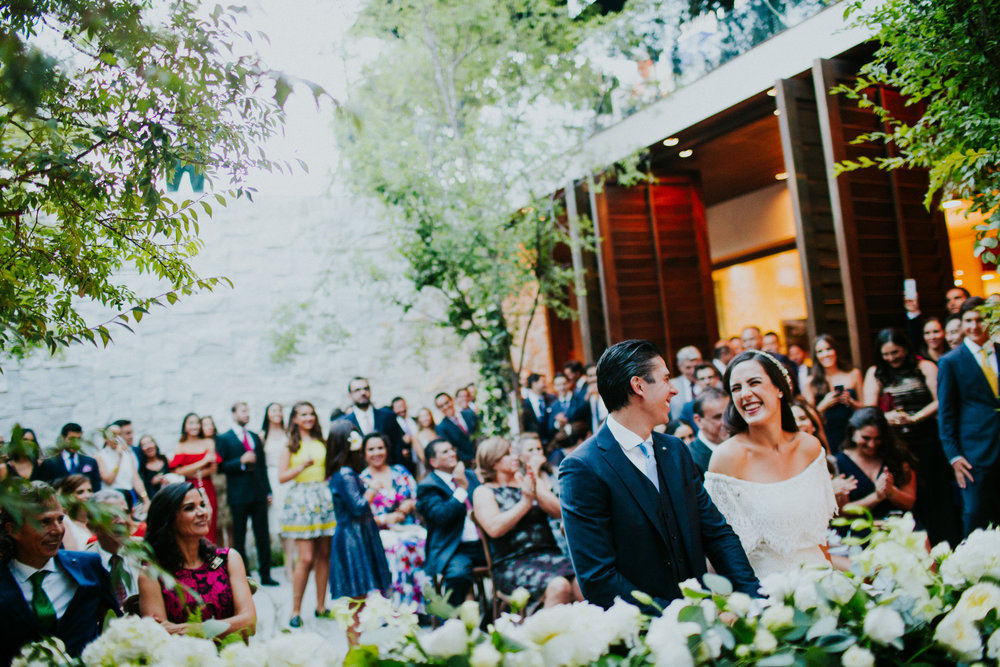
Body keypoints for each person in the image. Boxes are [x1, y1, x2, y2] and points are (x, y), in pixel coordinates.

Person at [560, 340, 758, 612]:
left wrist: (753, 596)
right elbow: (598, 579)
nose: (674, 389)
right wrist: (675, 618)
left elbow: (716, 533)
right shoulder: (583, 468)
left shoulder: (675, 450)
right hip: (642, 636)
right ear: (639, 386)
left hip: (705, 622)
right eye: (666, 379)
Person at [704, 350, 837, 579]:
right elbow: (717, 549)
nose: (745, 394)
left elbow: (820, 536)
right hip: (765, 596)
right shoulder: (726, 458)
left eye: (754, 382)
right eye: (736, 388)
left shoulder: (810, 448)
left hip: (820, 584)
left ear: (779, 389)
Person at [0, 481, 120, 663]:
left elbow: (115, 624)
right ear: (14, 529)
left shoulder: (88, 567)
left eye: (60, 519)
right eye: (45, 522)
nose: (58, 530)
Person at [862, 328, 961, 545]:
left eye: (895, 352)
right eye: (886, 354)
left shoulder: (924, 366)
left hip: (927, 440)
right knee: (908, 496)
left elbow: (941, 400)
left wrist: (916, 417)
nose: (891, 358)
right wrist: (887, 417)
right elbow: (869, 410)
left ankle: (945, 542)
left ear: (905, 348)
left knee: (936, 494)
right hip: (896, 446)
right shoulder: (875, 373)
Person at [472, 436, 581, 610]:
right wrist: (525, 503)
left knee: (582, 582)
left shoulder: (526, 481)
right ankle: (544, 636)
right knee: (559, 586)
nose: (515, 457)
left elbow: (559, 512)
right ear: (493, 462)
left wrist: (535, 483)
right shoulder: (484, 491)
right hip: (512, 562)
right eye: (507, 454)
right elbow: (494, 528)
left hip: (549, 555)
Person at [139, 482, 255, 638]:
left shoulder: (228, 559)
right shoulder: (152, 573)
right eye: (189, 508)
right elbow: (158, 637)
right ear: (168, 519)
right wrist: (230, 626)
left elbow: (250, 623)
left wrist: (183, 629)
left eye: (202, 505)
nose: (202, 512)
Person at [937, 296, 1000, 537]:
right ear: (962, 324)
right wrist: (953, 455)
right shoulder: (950, 361)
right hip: (975, 452)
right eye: (969, 320)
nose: (975, 326)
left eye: (980, 319)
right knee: (975, 514)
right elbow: (946, 414)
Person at [325, 422, 391, 618]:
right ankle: (354, 645)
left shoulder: (346, 472)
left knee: (361, 598)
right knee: (357, 599)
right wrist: (373, 488)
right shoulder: (345, 474)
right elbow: (359, 506)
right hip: (353, 538)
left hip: (359, 534)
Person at [278, 401, 336, 626]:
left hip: (323, 497)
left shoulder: (323, 441)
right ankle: (295, 610)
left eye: (311, 413)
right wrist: (302, 466)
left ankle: (321, 606)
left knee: (324, 556)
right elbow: (281, 476)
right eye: (303, 414)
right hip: (302, 500)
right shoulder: (290, 445)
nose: (309, 418)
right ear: (295, 419)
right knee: (306, 558)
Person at [358, 432, 427, 608]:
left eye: (380, 448)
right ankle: (395, 607)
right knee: (396, 547)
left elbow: (419, 497)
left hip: (408, 527)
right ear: (364, 453)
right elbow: (359, 515)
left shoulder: (400, 472)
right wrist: (384, 518)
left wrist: (411, 504)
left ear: (387, 450)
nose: (376, 453)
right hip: (380, 532)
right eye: (371, 449)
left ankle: (420, 604)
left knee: (423, 541)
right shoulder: (362, 480)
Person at [416, 439, 485, 608]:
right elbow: (442, 516)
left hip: (482, 543)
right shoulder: (428, 486)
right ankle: (454, 622)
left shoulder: (469, 475)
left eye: (452, 449)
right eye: (445, 452)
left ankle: (492, 618)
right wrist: (461, 490)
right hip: (453, 548)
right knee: (458, 576)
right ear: (433, 462)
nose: (452, 454)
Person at [217, 402, 276, 586]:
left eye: (248, 411)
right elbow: (221, 466)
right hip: (238, 495)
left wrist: (268, 490)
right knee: (240, 536)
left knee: (262, 535)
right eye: (243, 411)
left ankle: (266, 574)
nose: (247, 414)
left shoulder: (254, 437)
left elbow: (262, 466)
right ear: (233, 414)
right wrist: (240, 461)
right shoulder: (224, 438)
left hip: (258, 492)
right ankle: (244, 575)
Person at [834, 408, 916, 520]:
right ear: (853, 432)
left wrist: (891, 491)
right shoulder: (837, 463)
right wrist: (876, 496)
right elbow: (841, 512)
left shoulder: (896, 457)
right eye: (866, 438)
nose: (872, 445)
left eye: (878, 439)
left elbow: (909, 503)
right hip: (857, 530)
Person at [805, 334, 862, 452]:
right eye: (820, 351)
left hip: (853, 430)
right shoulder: (810, 382)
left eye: (828, 349)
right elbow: (807, 417)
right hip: (828, 434)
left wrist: (851, 402)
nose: (825, 354)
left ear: (835, 350)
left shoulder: (853, 374)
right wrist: (823, 405)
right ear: (816, 356)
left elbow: (866, 408)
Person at [170, 413, 221, 543]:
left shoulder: (208, 442)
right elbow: (178, 470)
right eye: (191, 423)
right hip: (187, 488)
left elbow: (213, 468)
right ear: (185, 427)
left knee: (209, 520)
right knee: (190, 521)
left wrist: (191, 472)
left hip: (206, 486)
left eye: (197, 423)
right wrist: (203, 462)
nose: (195, 426)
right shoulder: (180, 446)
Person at [337, 377, 408, 469]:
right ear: (350, 395)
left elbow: (397, 447)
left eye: (366, 389)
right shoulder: (344, 423)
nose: (363, 393)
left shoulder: (388, 416)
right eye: (357, 390)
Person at [91, 490, 139, 607]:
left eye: (125, 513)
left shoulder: (146, 551)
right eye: (113, 515)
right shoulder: (84, 564)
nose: (122, 521)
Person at [261, 402, 293, 579]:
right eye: (273, 410)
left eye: (280, 410)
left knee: (290, 521)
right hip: (271, 478)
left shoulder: (289, 433)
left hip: (288, 478)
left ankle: (290, 564)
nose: (277, 413)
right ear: (267, 414)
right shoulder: (262, 436)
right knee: (279, 524)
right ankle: (286, 560)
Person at [36, 423, 101, 492]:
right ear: (63, 438)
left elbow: (96, 487)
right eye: (71, 439)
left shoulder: (90, 462)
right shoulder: (49, 463)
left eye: (78, 439)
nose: (75, 443)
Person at [688, 388, 729, 477]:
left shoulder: (742, 443)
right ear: (698, 421)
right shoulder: (689, 459)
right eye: (718, 417)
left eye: (728, 414)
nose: (726, 421)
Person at [434, 392, 479, 464]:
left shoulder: (469, 414)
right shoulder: (441, 428)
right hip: (468, 463)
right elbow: (452, 449)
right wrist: (471, 460)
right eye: (441, 406)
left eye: (446, 403)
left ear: (452, 400)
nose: (445, 407)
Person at [56, 474, 96, 551]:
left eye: (90, 490)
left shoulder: (98, 519)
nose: (87, 495)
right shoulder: (65, 522)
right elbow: (72, 553)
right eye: (80, 492)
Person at [521, 373, 554, 443]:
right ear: (534, 383)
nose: (546, 385)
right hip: (536, 441)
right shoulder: (524, 403)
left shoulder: (551, 399)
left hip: (551, 441)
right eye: (543, 382)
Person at [136, 435, 171, 501]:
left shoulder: (165, 459)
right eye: (144, 445)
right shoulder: (141, 467)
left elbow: (175, 474)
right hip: (154, 499)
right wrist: (152, 483)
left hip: (170, 495)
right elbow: (140, 486)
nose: (149, 446)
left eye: (150, 442)